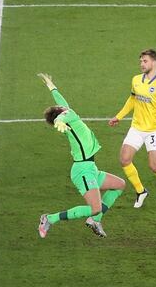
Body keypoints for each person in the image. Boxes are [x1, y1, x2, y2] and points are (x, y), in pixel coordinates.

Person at [36, 73, 126, 239]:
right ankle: (49, 218)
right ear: (60, 111)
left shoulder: (68, 111)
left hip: (90, 168)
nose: (63, 106)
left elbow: (60, 101)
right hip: (82, 170)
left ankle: (95, 220)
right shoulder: (68, 116)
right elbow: (60, 117)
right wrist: (58, 121)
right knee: (95, 207)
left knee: (119, 185)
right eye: (60, 108)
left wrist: (51, 86)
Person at [109, 49, 156, 208]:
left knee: (154, 167)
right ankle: (141, 191)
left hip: (153, 131)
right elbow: (132, 99)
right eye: (141, 61)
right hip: (136, 128)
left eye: (145, 61)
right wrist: (119, 116)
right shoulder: (136, 80)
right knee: (124, 159)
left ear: (154, 62)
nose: (141, 64)